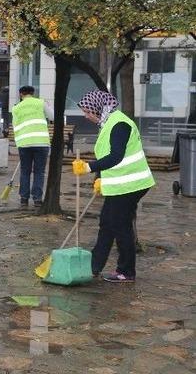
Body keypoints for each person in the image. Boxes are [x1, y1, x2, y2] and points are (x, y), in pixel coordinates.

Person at [72, 90, 154, 283]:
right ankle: (95, 266)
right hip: (121, 183)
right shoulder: (108, 122)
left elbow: (116, 156)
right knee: (107, 222)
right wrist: (101, 179)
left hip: (132, 184)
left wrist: (89, 167)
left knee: (120, 225)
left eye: (88, 111)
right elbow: (108, 156)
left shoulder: (120, 124)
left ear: (98, 108)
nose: (86, 116)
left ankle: (126, 271)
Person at [11, 86, 52, 207]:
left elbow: (15, 125)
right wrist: (48, 105)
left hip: (24, 144)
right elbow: (53, 117)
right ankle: (37, 199)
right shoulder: (41, 103)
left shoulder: (16, 108)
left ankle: (24, 199)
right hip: (41, 143)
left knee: (25, 171)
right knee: (39, 172)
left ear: (21, 94)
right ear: (33, 93)